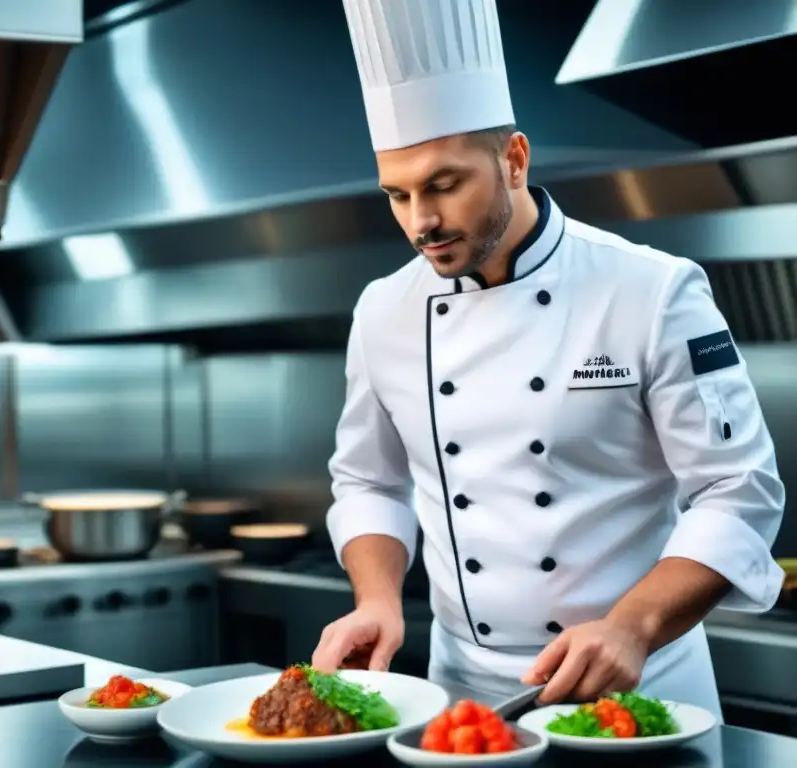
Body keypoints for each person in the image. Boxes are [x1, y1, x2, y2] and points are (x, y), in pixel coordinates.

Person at [310, 0, 785, 719]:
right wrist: (376, 598)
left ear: (513, 160)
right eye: (398, 195)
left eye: (443, 185)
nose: (420, 222)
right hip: (461, 697)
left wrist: (633, 627)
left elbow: (739, 492)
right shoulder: (383, 310)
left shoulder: (651, 289)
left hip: (636, 688)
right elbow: (368, 482)